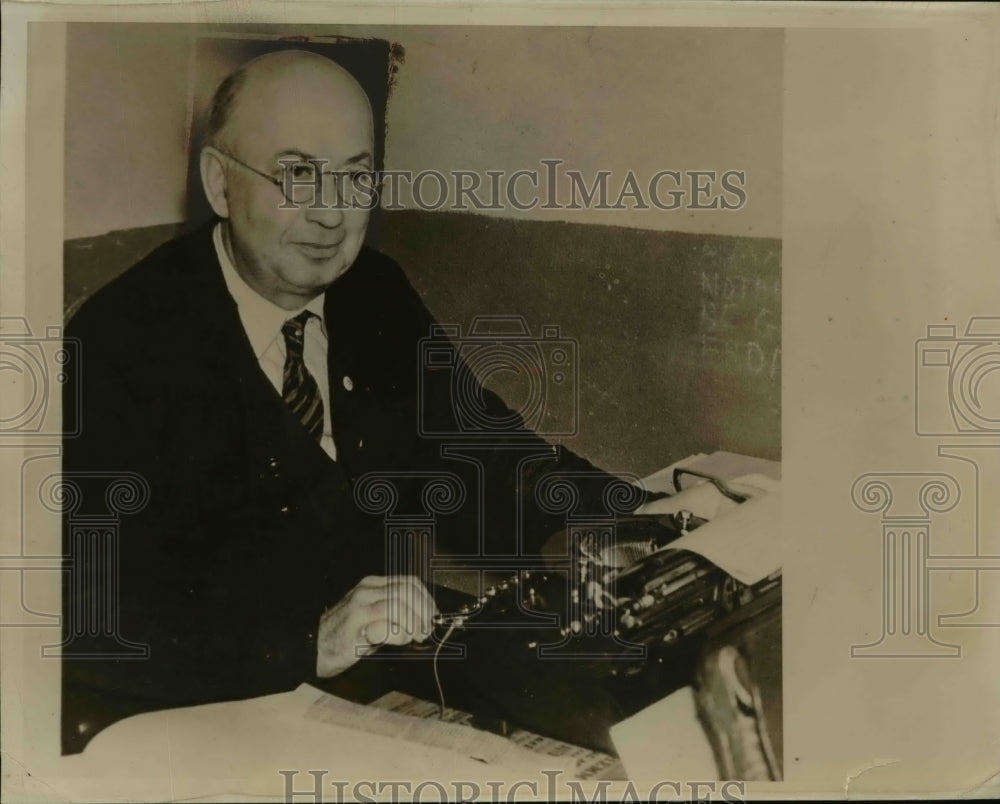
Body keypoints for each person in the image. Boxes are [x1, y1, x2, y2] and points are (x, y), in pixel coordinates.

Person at [61, 49, 634, 753]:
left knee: (624, 717)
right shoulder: (118, 346)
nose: (331, 213)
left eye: (355, 177)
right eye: (297, 174)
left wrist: (624, 517)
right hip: (213, 709)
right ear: (218, 182)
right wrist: (308, 642)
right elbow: (89, 619)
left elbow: (477, 446)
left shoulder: (373, 290)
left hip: (375, 670)